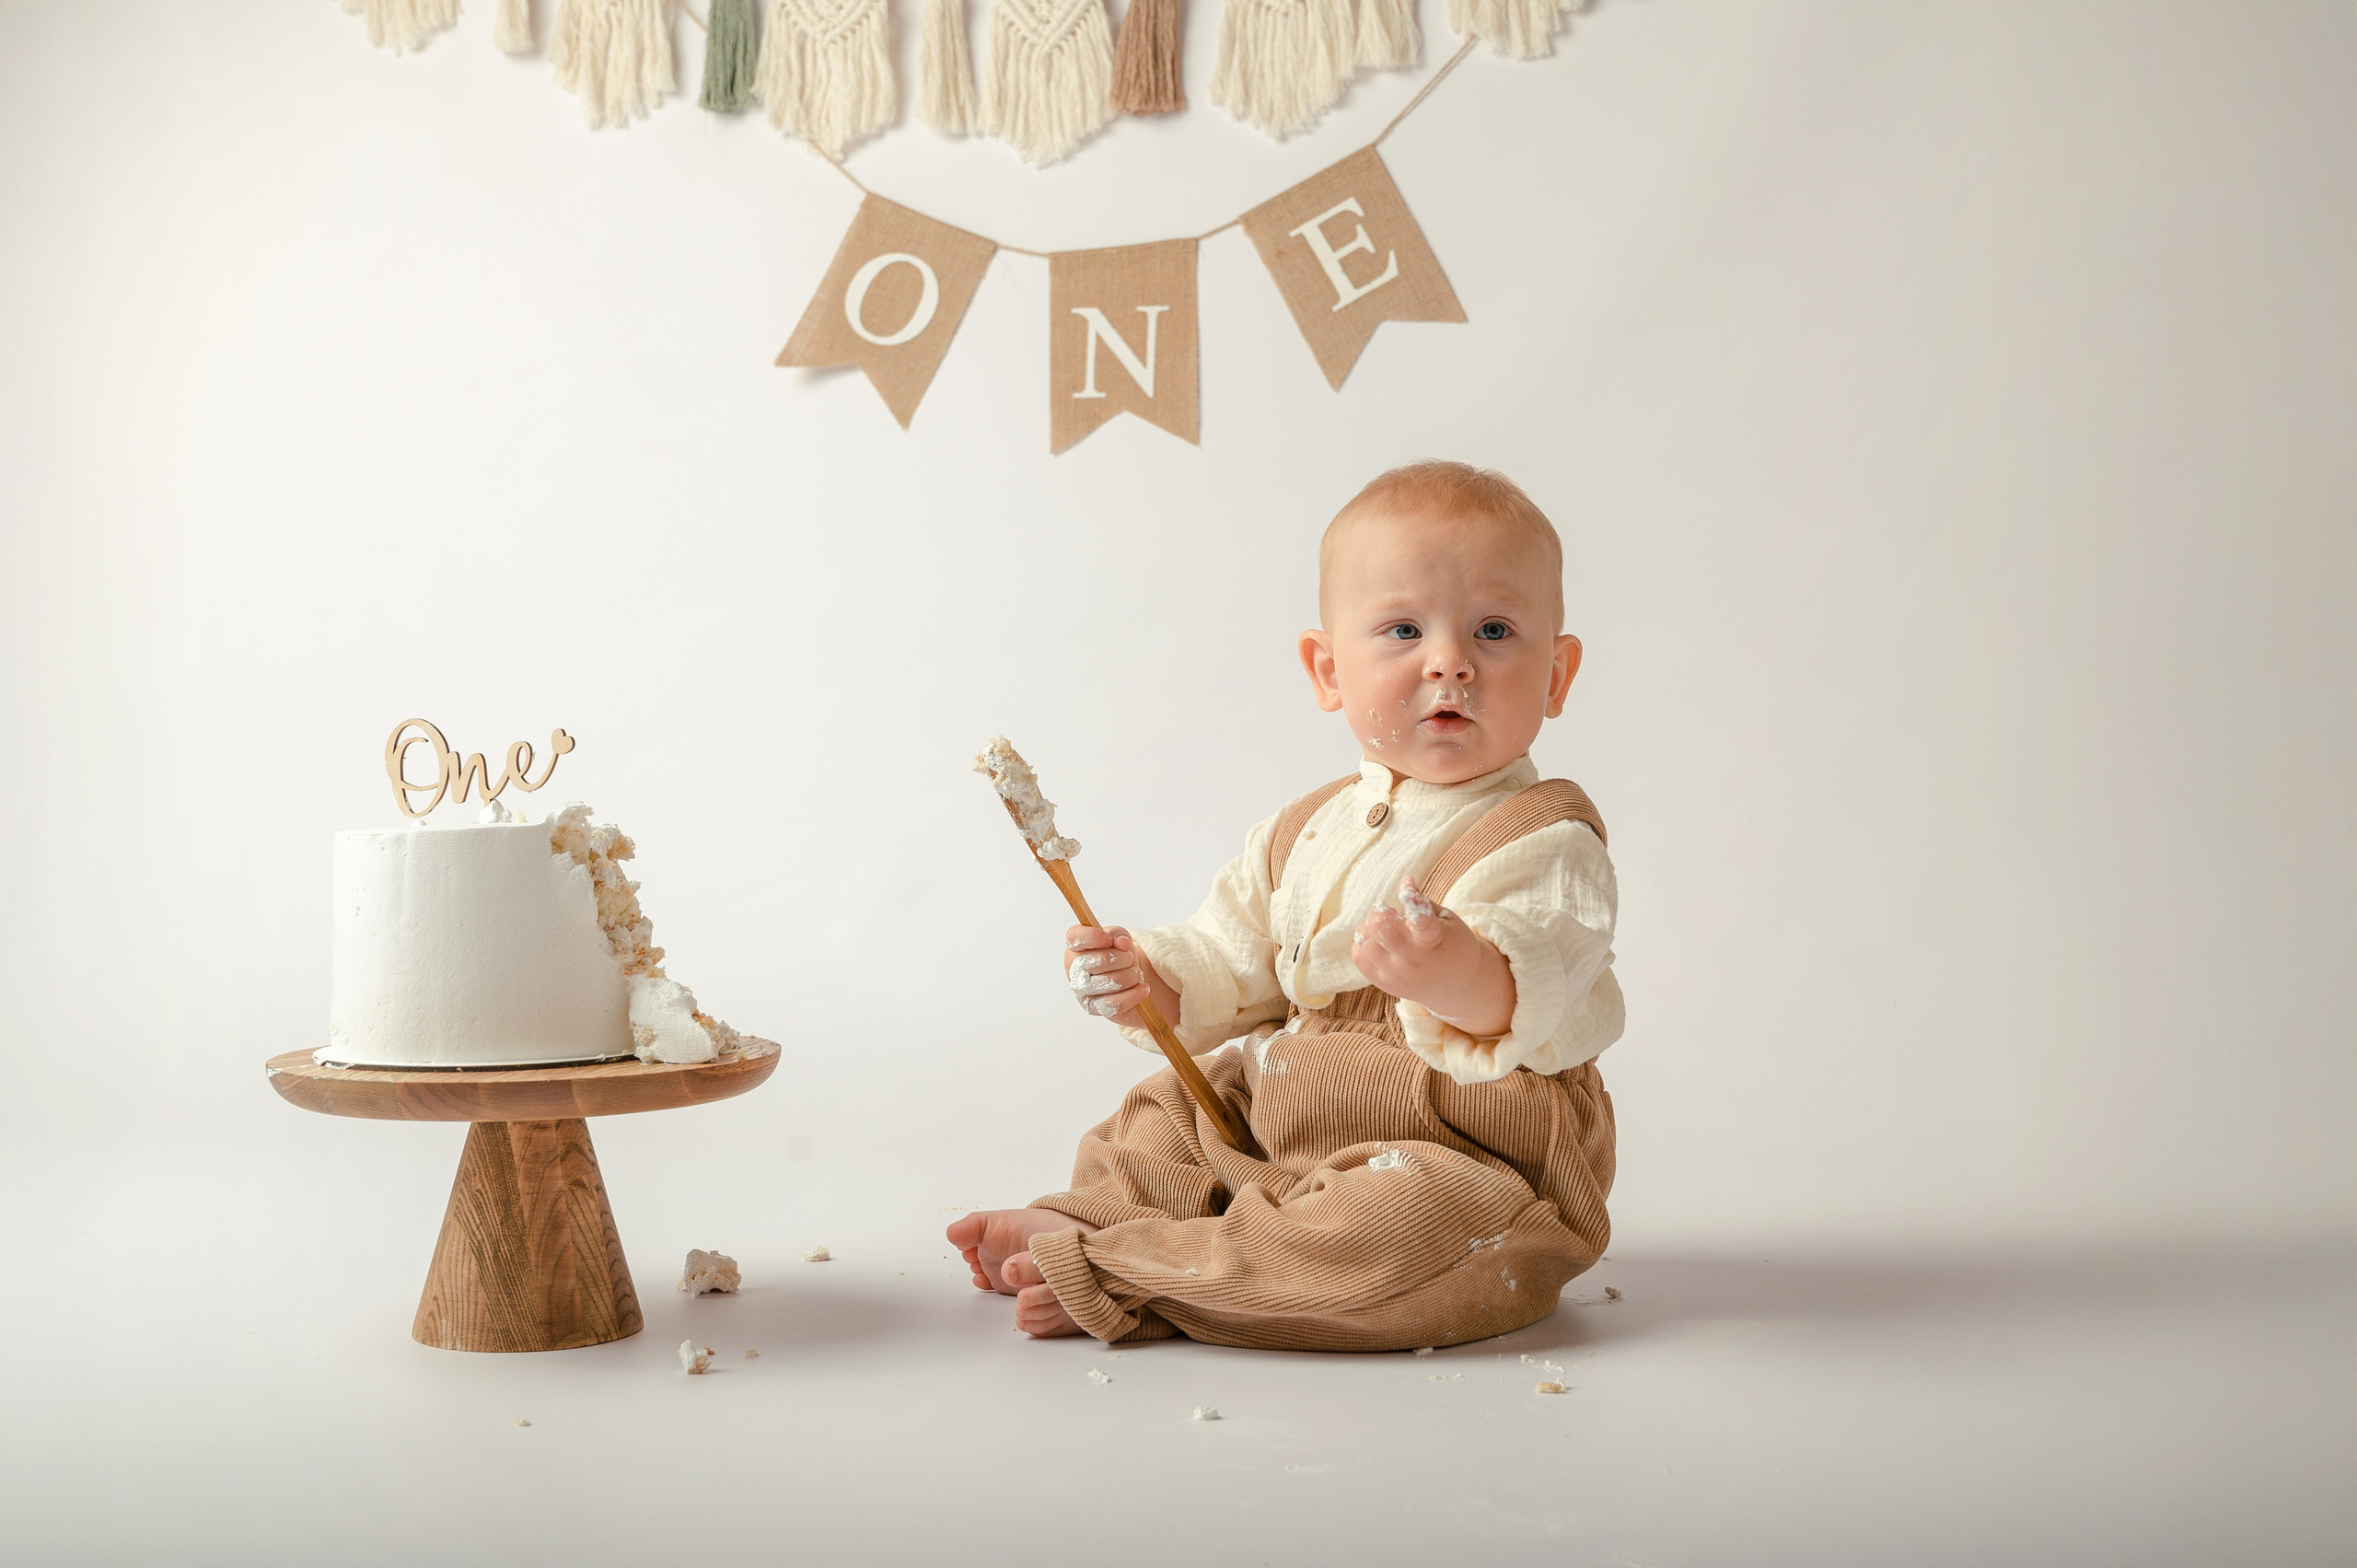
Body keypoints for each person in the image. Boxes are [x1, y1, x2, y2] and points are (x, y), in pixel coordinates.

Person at [949, 460, 1624, 1351]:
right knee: (1156, 1120)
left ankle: (1135, 1271)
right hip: (1281, 1125)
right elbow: (1230, 954)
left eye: (1494, 630)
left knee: (1402, 1229)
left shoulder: (1547, 838)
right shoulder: (1305, 828)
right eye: (1403, 629)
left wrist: (1461, 974)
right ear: (1328, 668)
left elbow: (1540, 969)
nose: (1450, 659)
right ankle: (1111, 1220)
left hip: (1463, 1145)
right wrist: (1154, 978)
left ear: (1557, 675)